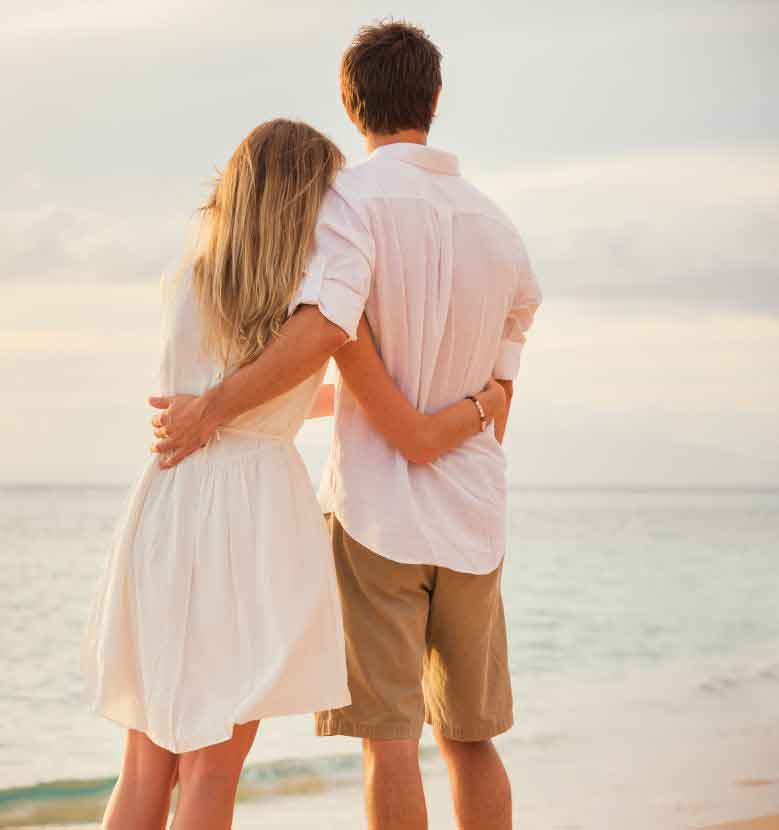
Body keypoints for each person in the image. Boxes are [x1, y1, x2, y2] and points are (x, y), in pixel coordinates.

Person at [150, 22, 542, 830]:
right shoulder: (501, 230)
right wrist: (449, 426)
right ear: (433, 99)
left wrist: (211, 409)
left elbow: (326, 326)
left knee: (387, 741)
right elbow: (502, 393)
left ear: (348, 102)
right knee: (470, 738)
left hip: (375, 514)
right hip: (474, 514)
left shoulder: (347, 203)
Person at [83, 117, 507, 830]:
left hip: (170, 498)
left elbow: (254, 399)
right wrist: (468, 403)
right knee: (213, 768)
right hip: (249, 514)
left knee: (146, 759)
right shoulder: (305, 298)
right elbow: (291, 375)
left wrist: (221, 409)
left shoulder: (189, 277)